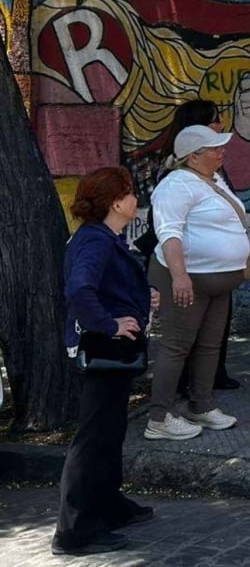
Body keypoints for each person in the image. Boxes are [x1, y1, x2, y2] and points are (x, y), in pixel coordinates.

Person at [55, 166, 153, 556]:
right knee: (94, 437)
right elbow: (80, 289)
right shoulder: (95, 241)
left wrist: (138, 301)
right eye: (130, 193)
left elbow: (107, 286)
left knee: (110, 431)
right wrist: (109, 324)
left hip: (110, 349)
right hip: (101, 348)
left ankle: (109, 505)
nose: (135, 199)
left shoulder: (104, 237)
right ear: (116, 203)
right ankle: (74, 530)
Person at [144, 124, 249, 440]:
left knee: (209, 345)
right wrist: (179, 276)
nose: (222, 152)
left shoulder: (213, 180)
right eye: (215, 148)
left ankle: (201, 405)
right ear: (192, 157)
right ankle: (158, 418)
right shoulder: (176, 185)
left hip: (216, 283)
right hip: (186, 279)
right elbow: (169, 234)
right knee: (176, 346)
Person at [135, 99, 241, 391]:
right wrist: (180, 274)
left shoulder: (212, 170)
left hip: (214, 267)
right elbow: (169, 228)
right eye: (214, 120)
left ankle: (206, 387)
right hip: (191, 265)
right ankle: (171, 398)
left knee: (212, 331)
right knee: (184, 332)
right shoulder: (176, 176)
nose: (220, 125)